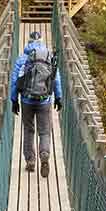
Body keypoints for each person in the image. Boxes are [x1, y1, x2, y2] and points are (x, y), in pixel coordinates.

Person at [10, 30, 62, 177]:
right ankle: (44, 154)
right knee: (45, 131)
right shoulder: (48, 57)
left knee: (28, 130)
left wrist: (14, 100)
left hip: (26, 100)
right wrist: (59, 97)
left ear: (28, 42)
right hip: (44, 100)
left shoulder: (22, 59)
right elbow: (56, 79)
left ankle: (30, 161)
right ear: (41, 42)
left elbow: (15, 81)